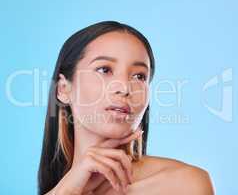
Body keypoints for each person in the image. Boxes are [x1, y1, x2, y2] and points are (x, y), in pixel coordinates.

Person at [38, 21, 214, 195]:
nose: (124, 88)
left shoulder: (185, 185)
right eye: (104, 70)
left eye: (139, 76)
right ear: (63, 89)